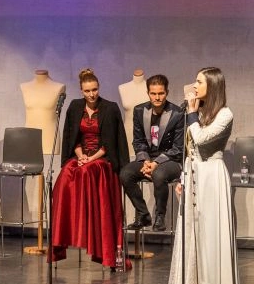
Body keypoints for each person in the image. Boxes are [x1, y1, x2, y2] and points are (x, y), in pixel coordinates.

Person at [167, 67, 238, 284]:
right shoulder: (196, 113)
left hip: (211, 175)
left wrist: (192, 113)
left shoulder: (225, 114)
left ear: (212, 85)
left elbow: (201, 138)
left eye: (199, 82)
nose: (194, 86)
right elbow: (188, 150)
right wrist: (183, 178)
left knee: (209, 233)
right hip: (194, 172)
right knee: (190, 230)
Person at [49, 68, 129, 269]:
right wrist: (80, 156)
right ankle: (66, 232)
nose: (92, 94)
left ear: (98, 88)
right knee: (65, 175)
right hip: (82, 155)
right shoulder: (75, 107)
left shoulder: (110, 108)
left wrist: (90, 159)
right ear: (81, 90)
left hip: (102, 157)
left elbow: (110, 143)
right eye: (87, 91)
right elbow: (72, 137)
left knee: (87, 171)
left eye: (94, 89)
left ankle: (90, 229)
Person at [119, 73, 185, 232]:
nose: (157, 97)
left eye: (161, 93)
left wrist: (156, 163)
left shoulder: (177, 113)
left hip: (171, 160)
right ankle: (143, 215)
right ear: (148, 93)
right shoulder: (139, 110)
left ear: (167, 92)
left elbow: (178, 148)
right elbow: (138, 141)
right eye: (153, 93)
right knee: (125, 174)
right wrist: (146, 161)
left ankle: (160, 217)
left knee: (159, 174)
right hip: (148, 159)